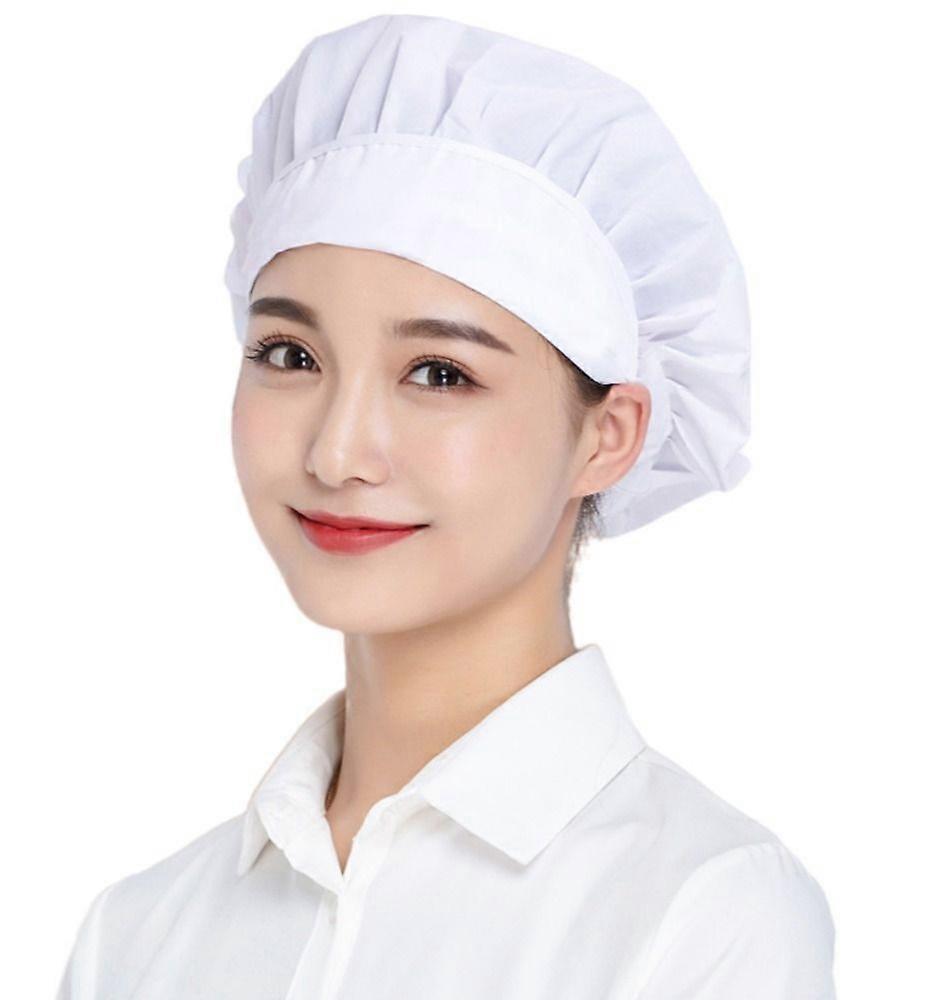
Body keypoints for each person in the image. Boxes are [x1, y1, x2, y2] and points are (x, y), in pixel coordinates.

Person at [55, 13, 837, 1000]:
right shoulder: (139, 934)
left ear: (607, 435)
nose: (337, 452)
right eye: (289, 355)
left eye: (438, 373)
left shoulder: (701, 914)